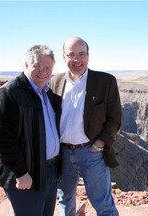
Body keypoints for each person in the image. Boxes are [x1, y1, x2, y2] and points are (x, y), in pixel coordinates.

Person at [50, 36, 122, 216]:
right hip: (63, 153)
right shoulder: (55, 82)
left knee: (103, 204)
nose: (77, 59)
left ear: (88, 56)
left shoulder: (105, 82)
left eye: (82, 54)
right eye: (71, 54)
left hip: (91, 152)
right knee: (65, 200)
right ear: (64, 57)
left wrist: (100, 144)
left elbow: (115, 118)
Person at [0, 45, 61, 216]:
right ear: (26, 65)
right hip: (26, 174)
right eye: (38, 66)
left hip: (50, 171)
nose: (43, 71)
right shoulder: (9, 93)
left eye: (48, 67)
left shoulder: (47, 93)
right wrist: (21, 173)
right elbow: (0, 140)